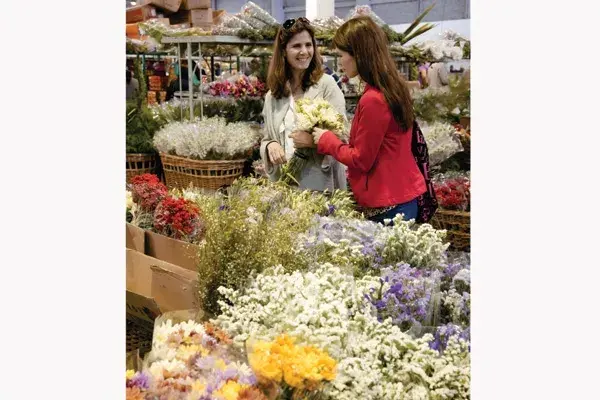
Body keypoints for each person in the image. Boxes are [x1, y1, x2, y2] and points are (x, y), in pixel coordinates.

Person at [291, 16, 427, 224]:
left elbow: (361, 159)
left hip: (388, 201)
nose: (340, 62)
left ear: (358, 55)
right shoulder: (392, 88)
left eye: (342, 55)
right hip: (402, 193)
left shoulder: (373, 99)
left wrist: (326, 139)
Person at [260, 17, 347, 192]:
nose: (304, 51)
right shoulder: (274, 95)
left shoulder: (326, 85)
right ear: (284, 51)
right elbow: (266, 138)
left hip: (322, 187)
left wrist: (313, 141)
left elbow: (345, 135)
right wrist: (271, 146)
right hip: (285, 186)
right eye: (296, 46)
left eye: (308, 45)